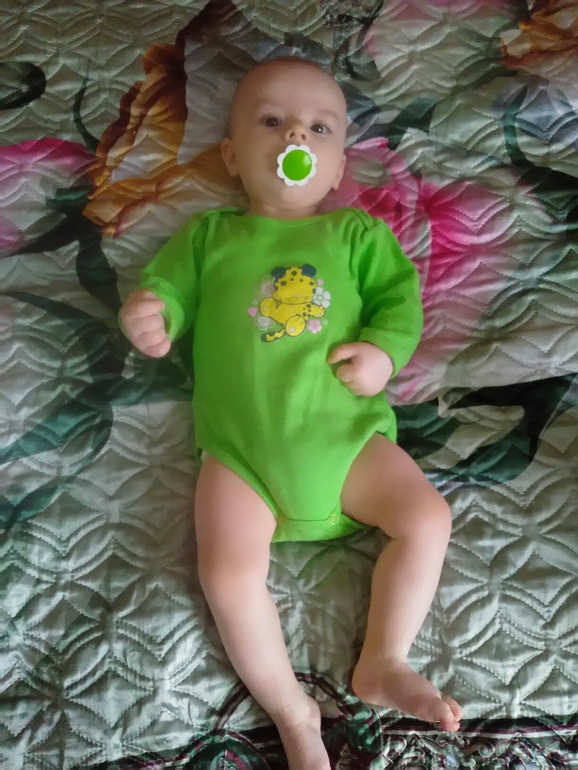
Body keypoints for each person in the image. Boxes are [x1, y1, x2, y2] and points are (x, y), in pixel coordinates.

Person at [120, 57, 462, 770]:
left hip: (347, 439)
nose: (295, 136)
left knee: (428, 519)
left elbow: (399, 302)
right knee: (226, 574)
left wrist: (383, 353)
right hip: (241, 456)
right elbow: (166, 290)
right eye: (272, 121)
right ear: (232, 156)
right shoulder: (210, 237)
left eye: (319, 128)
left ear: (336, 170)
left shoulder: (356, 236)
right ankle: (292, 713)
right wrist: (151, 315)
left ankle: (384, 659)